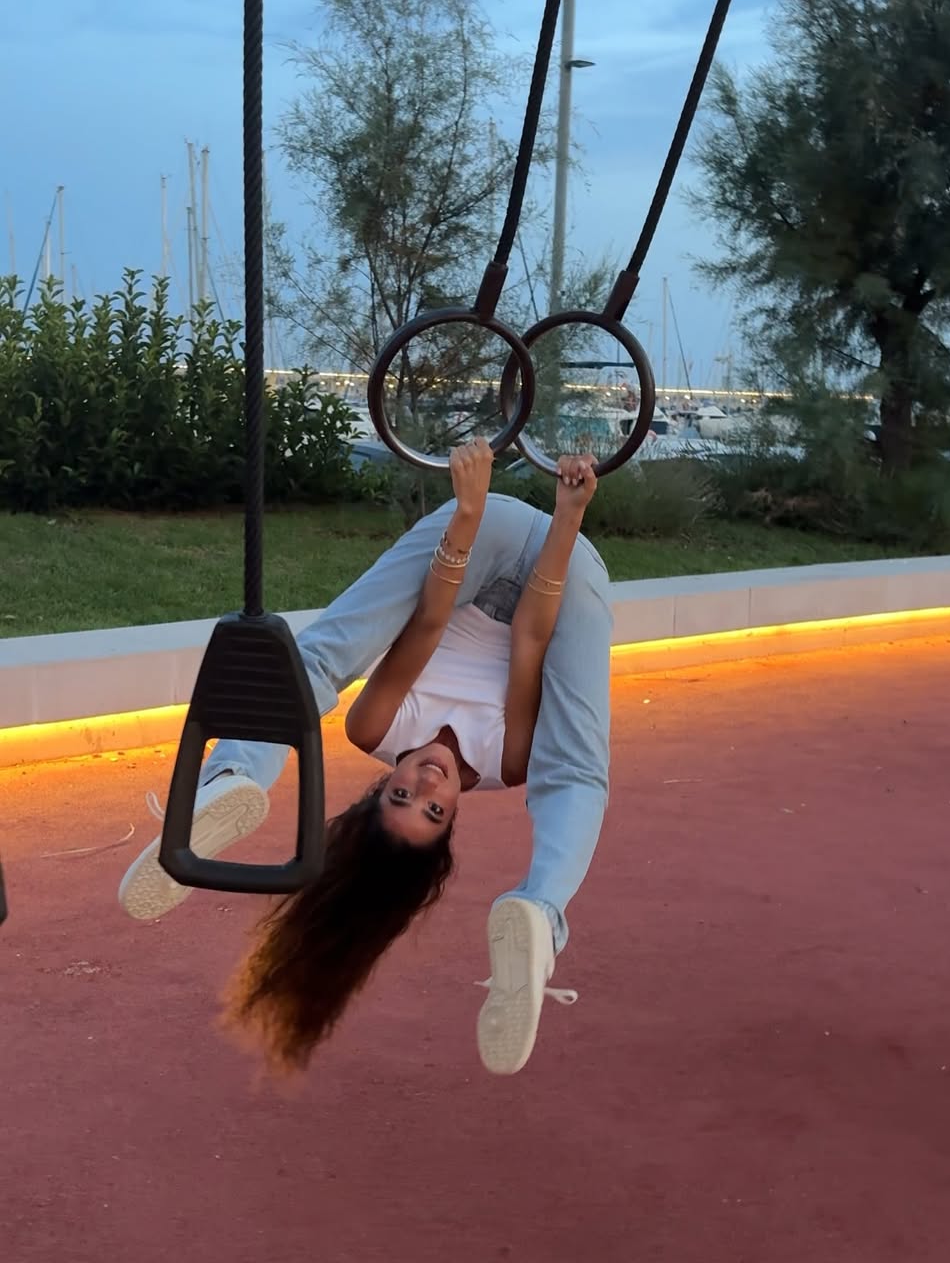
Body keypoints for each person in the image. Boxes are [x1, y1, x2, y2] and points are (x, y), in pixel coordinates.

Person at [118, 439, 612, 1078]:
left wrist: (468, 512)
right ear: (452, 817)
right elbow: (531, 636)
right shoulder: (507, 761)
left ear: (379, 787)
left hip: (477, 537)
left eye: (400, 795)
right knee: (575, 769)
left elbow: (430, 622)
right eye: (432, 810)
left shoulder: (377, 728)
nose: (424, 783)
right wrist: (569, 516)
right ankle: (539, 913)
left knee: (318, 660)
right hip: (569, 572)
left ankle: (230, 778)